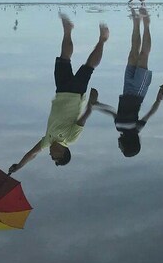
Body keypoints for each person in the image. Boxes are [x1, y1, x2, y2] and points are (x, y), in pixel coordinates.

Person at [8, 14, 108, 173]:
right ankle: (103, 40)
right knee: (89, 66)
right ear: (62, 153)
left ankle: (68, 30)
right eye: (54, 157)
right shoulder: (70, 139)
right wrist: (90, 106)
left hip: (61, 91)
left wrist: (19, 166)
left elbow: (32, 153)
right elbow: (82, 120)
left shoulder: (47, 140)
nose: (50, 155)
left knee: (64, 58)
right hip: (76, 94)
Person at [92, 8, 163, 157]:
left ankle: (136, 22)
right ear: (129, 145)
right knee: (143, 56)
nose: (119, 147)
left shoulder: (118, 127)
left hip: (126, 90)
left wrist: (97, 106)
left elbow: (113, 112)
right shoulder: (136, 128)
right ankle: (146, 24)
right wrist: (159, 99)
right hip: (138, 91)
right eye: (122, 148)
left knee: (132, 53)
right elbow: (150, 112)